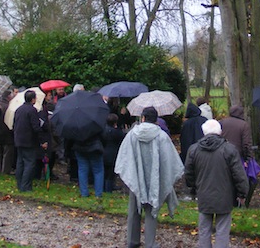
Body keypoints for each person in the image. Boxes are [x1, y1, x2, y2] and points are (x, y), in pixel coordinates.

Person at [115, 106, 184, 248]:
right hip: (155, 179)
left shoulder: (132, 134)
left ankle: (132, 241)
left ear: (143, 118)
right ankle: (150, 243)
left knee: (134, 209)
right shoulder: (162, 136)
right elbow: (170, 161)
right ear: (156, 120)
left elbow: (124, 157)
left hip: (136, 177)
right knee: (152, 209)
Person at [184, 119, 249, 248]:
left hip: (204, 193)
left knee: (204, 228)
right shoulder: (229, 149)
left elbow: (188, 173)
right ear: (220, 131)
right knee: (222, 229)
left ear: (204, 132)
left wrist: (194, 187)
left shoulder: (194, 149)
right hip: (224, 194)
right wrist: (242, 193)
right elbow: (239, 174)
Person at [13, 89, 48, 192]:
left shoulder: (18, 109)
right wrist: (42, 141)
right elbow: (36, 127)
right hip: (29, 141)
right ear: (33, 99)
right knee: (29, 163)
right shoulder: (32, 111)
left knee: (20, 163)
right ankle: (26, 186)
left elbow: (14, 124)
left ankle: (20, 185)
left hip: (19, 140)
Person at [102, 113, 125, 193]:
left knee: (104, 172)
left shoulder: (103, 130)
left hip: (104, 153)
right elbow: (122, 138)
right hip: (113, 154)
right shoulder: (117, 132)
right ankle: (109, 189)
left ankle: (103, 187)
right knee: (110, 174)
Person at [0, 89, 15, 174]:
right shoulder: (9, 107)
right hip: (7, 133)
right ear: (8, 97)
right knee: (7, 153)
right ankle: (5, 171)